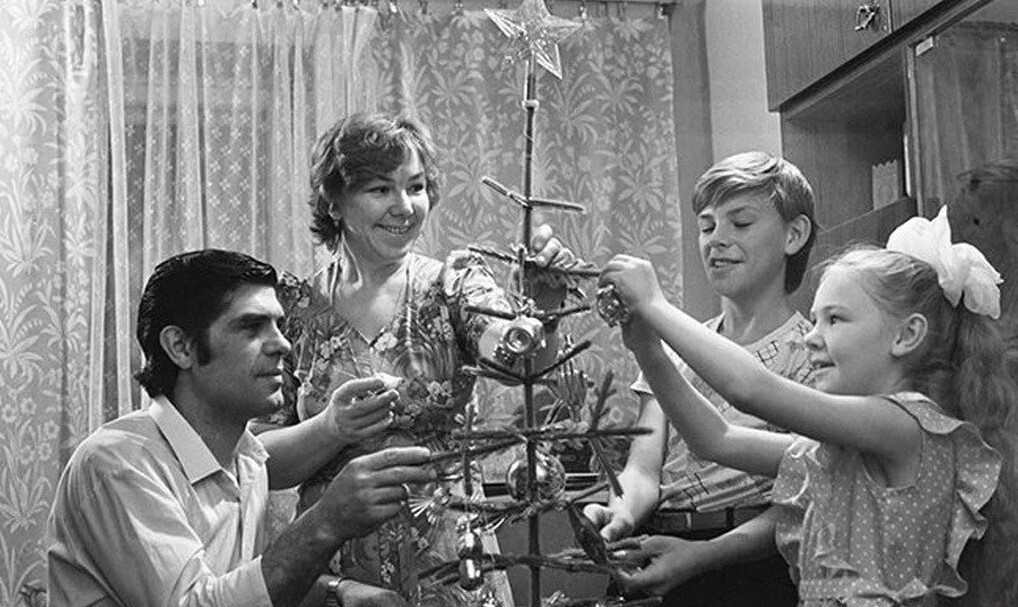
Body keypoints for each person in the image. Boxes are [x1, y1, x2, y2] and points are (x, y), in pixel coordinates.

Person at [600, 205, 1014, 605]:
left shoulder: (907, 425)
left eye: (834, 319)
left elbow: (750, 389)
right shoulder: (842, 449)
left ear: (906, 336)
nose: (810, 337)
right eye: (814, 319)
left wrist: (656, 305)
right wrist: (647, 351)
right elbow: (715, 439)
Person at [256, 112, 576, 607]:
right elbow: (261, 463)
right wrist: (330, 429)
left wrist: (541, 314)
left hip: (452, 565)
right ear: (334, 203)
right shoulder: (293, 309)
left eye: (416, 187)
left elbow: (521, 366)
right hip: (336, 577)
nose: (404, 207)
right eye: (380, 189)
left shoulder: (454, 284)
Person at [47, 249, 436, 607]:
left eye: (279, 326)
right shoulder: (118, 464)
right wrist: (325, 522)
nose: (282, 344)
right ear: (180, 347)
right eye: (251, 327)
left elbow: (244, 587)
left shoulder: (248, 460)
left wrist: (339, 590)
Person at [583, 151, 817, 606]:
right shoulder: (672, 347)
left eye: (741, 223)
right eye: (707, 227)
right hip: (659, 546)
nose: (718, 240)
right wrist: (621, 515)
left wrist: (704, 556)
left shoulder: (814, 353)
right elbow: (643, 467)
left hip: (747, 567)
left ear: (794, 235)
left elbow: (808, 494)